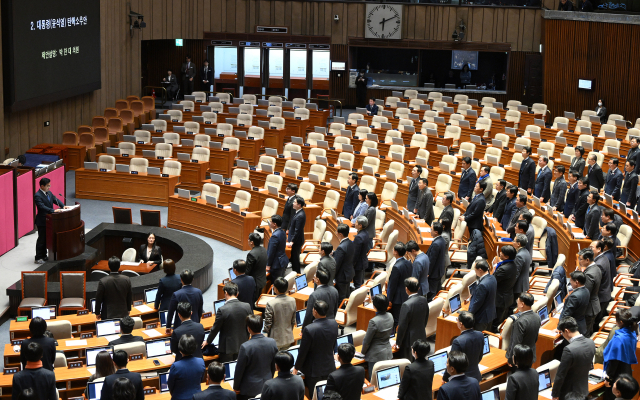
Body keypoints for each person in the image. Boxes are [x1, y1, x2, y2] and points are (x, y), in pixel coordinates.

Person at [294, 300, 339, 396]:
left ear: (315, 311)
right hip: (329, 366)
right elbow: (333, 343)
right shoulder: (334, 324)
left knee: (314, 396)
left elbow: (303, 352)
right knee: (328, 396)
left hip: (314, 371)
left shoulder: (309, 329)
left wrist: (296, 368)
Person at [234, 315, 278, 400]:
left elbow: (239, 370)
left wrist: (236, 387)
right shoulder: (272, 342)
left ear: (248, 328)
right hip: (267, 385)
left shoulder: (245, 347)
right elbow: (273, 366)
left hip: (250, 390)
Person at [205, 282, 253, 362]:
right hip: (243, 344)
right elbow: (250, 325)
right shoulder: (247, 306)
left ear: (226, 293)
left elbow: (215, 329)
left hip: (227, 349)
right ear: (237, 294)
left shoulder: (222, 310)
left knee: (227, 372)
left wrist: (207, 341)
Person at [551, 317, 596, 400]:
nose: (562, 335)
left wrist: (555, 394)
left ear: (567, 331)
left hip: (569, 394)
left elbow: (561, 375)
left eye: (562, 332)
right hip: (584, 390)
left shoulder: (569, 349)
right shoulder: (591, 343)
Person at [603, 310, 638, 400]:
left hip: (616, 375)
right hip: (627, 371)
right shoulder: (632, 333)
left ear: (621, 322)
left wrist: (609, 379)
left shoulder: (619, 339)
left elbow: (614, 360)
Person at [442, 311, 484, 382]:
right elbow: (480, 356)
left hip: (462, 380)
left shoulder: (458, 341)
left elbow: (452, 362)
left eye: (457, 320)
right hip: (476, 377)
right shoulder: (480, 335)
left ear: (461, 324)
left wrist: (445, 378)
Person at [395, 278, 429, 360]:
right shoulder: (424, 300)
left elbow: (402, 326)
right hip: (421, 335)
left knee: (408, 362)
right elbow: (426, 317)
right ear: (419, 288)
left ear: (406, 289)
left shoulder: (406, 305)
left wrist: (398, 343)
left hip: (408, 340)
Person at [34, 177, 66, 264]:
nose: (49, 187)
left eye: (50, 185)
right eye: (48, 186)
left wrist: (63, 206)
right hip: (42, 220)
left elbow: (55, 200)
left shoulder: (49, 192)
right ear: (42, 186)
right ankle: (38, 257)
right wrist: (53, 210)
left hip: (49, 220)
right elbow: (41, 207)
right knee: (42, 239)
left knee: (46, 239)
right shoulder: (37, 195)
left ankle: (44, 256)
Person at [361, 294, 394, 377]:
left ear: (374, 306)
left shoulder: (374, 321)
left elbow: (367, 341)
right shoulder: (390, 316)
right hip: (388, 352)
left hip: (375, 355)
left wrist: (362, 352)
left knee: (374, 380)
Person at [505, 293, 540, 366]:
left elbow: (516, 343)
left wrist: (511, 359)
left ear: (522, 304)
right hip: (531, 355)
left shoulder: (520, 322)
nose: (517, 303)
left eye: (517, 301)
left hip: (520, 359)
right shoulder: (537, 316)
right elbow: (535, 338)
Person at [168, 335, 206, 400]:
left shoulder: (176, 366)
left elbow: (170, 386)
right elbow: (200, 380)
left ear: (180, 349)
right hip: (197, 397)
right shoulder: (201, 362)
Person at [264, 277, 296, 350]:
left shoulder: (270, 304)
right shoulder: (292, 300)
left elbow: (268, 324)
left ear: (276, 289)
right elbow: (293, 321)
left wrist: (264, 336)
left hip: (275, 340)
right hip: (288, 338)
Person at [387, 242, 413, 328]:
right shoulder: (408, 262)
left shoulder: (396, 267)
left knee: (397, 319)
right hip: (406, 294)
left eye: (393, 250)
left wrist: (389, 299)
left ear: (395, 252)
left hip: (397, 298)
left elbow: (392, 285)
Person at [493, 245, 518, 329]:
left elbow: (493, 280)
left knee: (496, 322)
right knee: (502, 318)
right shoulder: (513, 264)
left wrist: (494, 267)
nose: (500, 253)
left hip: (500, 299)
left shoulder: (503, 269)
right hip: (507, 296)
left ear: (507, 256)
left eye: (502, 253)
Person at [468, 260, 497, 332]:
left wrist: (469, 313)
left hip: (482, 317)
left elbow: (477, 303)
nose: (475, 271)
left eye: (475, 269)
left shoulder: (482, 285)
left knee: (480, 339)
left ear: (480, 270)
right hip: (490, 314)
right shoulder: (492, 278)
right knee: (486, 336)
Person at [578, 248, 601, 336]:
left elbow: (585, 294)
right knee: (588, 330)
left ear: (587, 260)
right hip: (594, 304)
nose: (579, 261)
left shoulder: (589, 275)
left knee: (584, 333)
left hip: (589, 309)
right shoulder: (596, 268)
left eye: (580, 259)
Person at [591, 240, 613, 327]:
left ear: (599, 249)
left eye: (591, 247)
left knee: (595, 323)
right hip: (605, 294)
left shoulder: (599, 264)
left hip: (600, 298)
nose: (589, 249)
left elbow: (595, 283)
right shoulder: (604, 257)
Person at [425, 222, 448, 301]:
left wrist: (428, 272)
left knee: (431, 293)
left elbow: (432, 260)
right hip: (439, 270)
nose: (430, 231)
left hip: (434, 273)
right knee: (437, 290)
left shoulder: (436, 244)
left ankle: (431, 308)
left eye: (431, 229)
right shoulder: (441, 240)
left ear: (436, 232)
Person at [332, 223, 354, 302]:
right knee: (346, 293)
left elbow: (336, 265)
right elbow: (346, 255)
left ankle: (342, 312)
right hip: (348, 272)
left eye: (336, 232)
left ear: (340, 234)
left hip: (342, 275)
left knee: (341, 298)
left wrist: (332, 277)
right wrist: (335, 253)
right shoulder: (350, 242)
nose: (336, 233)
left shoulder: (341, 247)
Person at [245, 232, 267, 303]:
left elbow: (247, 271)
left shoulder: (251, 254)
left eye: (248, 239)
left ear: (251, 242)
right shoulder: (264, 249)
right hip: (262, 280)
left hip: (255, 283)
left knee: (253, 302)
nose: (247, 240)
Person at [287, 196, 306, 274]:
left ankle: (297, 275)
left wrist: (292, 241)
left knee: (295, 260)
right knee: (293, 258)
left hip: (297, 241)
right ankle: (294, 274)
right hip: (295, 239)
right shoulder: (298, 212)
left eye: (294, 202)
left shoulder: (300, 215)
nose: (293, 204)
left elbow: (297, 231)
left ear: (299, 205)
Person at [267, 215, 289, 280]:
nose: (270, 223)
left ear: (274, 224)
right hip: (282, 261)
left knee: (275, 284)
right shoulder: (283, 232)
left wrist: (268, 264)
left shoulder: (274, 236)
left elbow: (271, 252)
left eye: (271, 221)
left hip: (276, 264)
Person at [352, 216, 370, 289]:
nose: (354, 223)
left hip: (358, 264)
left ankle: (358, 299)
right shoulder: (366, 233)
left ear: (360, 225)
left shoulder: (359, 237)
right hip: (363, 261)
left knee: (357, 284)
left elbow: (356, 254)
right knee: (360, 282)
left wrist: (352, 264)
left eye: (356, 222)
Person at [513, 234, 532, 302]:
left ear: (518, 244)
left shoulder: (519, 256)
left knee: (513, 304)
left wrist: (510, 285)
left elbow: (516, 272)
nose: (513, 242)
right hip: (523, 282)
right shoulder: (526, 251)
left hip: (518, 285)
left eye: (514, 241)